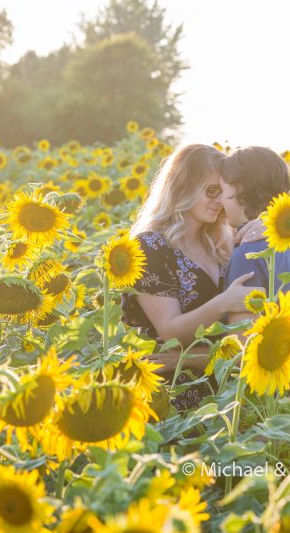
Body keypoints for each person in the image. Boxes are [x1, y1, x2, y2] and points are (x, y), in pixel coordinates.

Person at [121, 144, 256, 411]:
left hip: (223, 392)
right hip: (172, 397)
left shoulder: (221, 241)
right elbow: (169, 330)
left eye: (224, 192)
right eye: (211, 190)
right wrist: (224, 303)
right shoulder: (150, 246)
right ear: (183, 187)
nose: (219, 201)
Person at [219, 146, 290, 325]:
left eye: (222, 191)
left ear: (239, 189)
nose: (220, 201)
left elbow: (243, 340)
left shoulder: (248, 255)